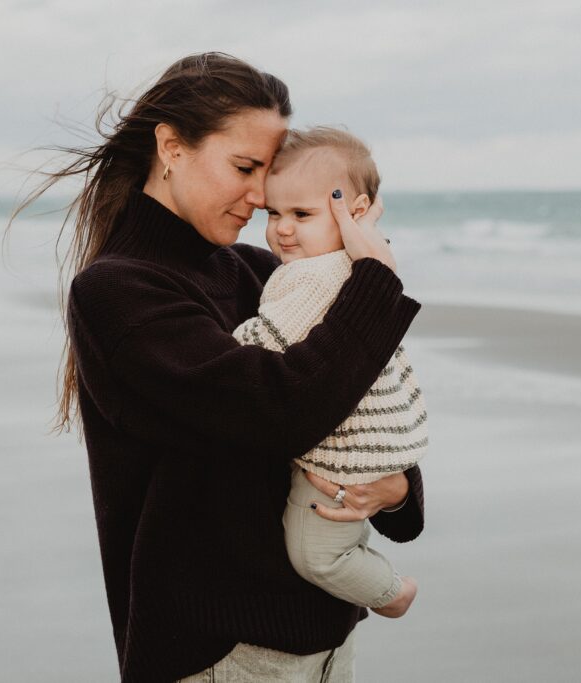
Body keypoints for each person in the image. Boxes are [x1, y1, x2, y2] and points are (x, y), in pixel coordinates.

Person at [14, 52, 425, 682]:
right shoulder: (119, 293)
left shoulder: (259, 273)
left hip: (325, 640)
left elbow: (359, 399)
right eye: (245, 167)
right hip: (222, 655)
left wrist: (396, 490)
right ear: (172, 148)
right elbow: (276, 411)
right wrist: (374, 279)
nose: (262, 197)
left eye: (269, 171)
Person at [233, 126, 428, 620]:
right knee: (335, 542)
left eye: (302, 214)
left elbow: (262, 343)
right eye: (274, 213)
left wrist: (227, 342)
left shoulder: (315, 275)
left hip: (343, 461)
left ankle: (393, 592)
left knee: (316, 554)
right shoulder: (353, 268)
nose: (281, 228)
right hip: (366, 452)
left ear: (354, 212)